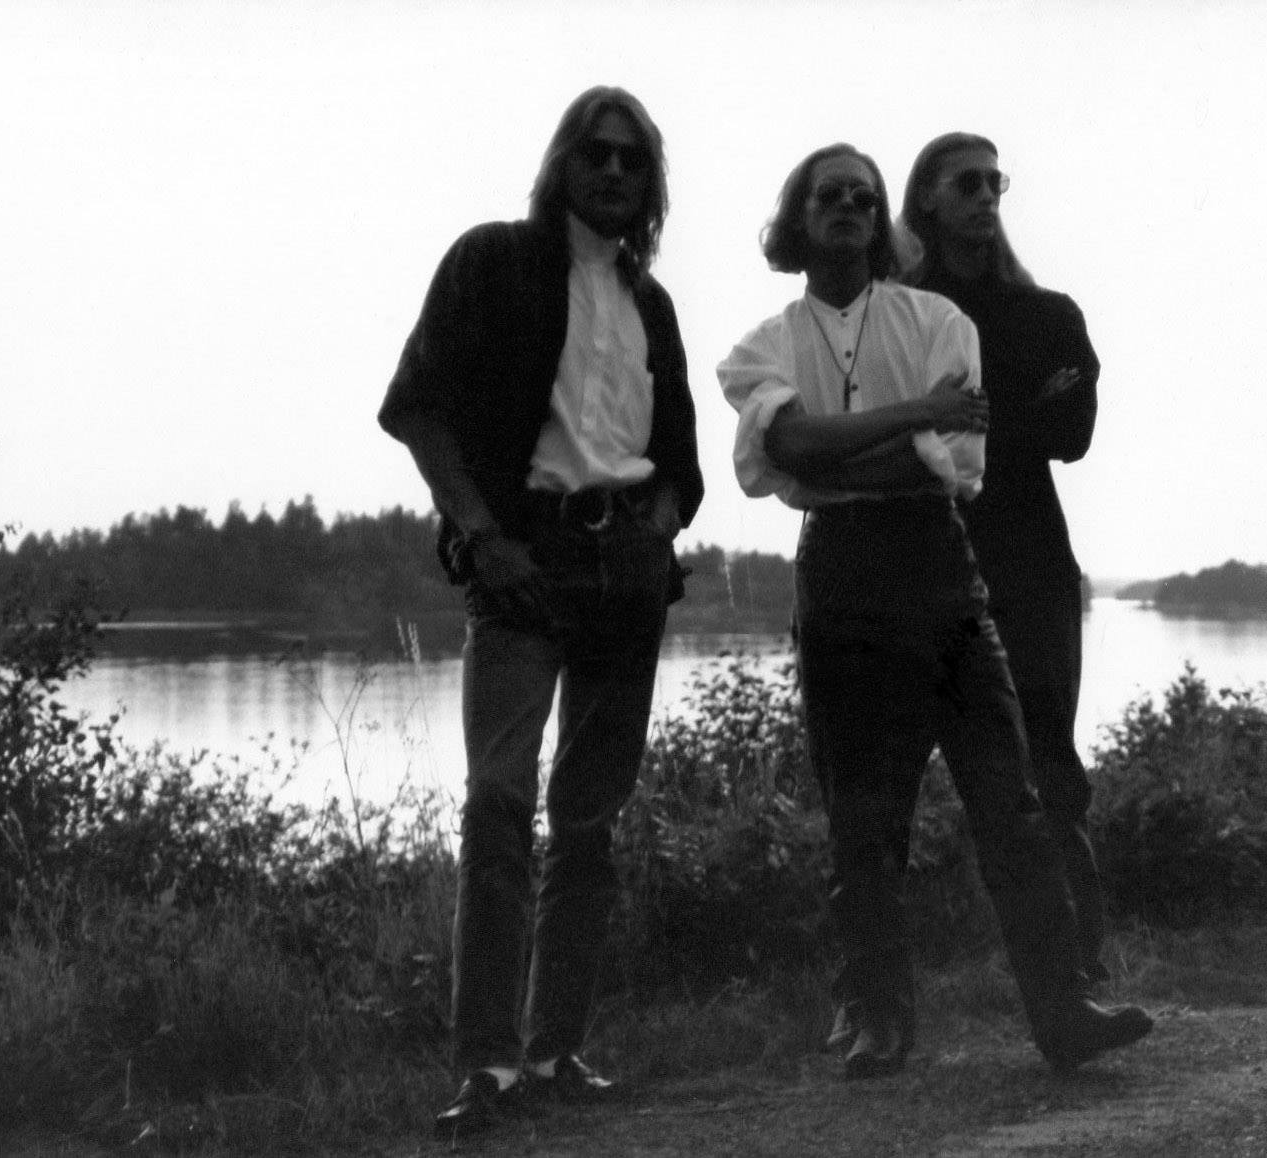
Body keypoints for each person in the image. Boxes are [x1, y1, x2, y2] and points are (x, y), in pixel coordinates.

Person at [717, 143, 1151, 1081]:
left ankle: (1062, 1009)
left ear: (884, 220)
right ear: (798, 220)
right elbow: (784, 454)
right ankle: (879, 1019)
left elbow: (946, 465)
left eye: (863, 197)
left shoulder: (941, 322)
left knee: (1011, 801)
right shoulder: (762, 347)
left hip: (942, 569)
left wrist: (831, 455)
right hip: (841, 581)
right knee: (863, 818)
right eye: (828, 196)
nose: (847, 207)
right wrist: (910, 418)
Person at [377, 86, 703, 1136]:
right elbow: (418, 408)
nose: (612, 171)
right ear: (563, 162)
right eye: (595, 153)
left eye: (631, 160)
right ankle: (489, 1067)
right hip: (523, 565)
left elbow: (679, 462)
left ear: (650, 183)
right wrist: (481, 535)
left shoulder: (652, 305)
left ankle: (557, 1053)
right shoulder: (492, 263)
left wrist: (656, 536)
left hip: (626, 578)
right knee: (498, 804)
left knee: (589, 821)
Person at [899, 132, 1112, 997]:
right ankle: (878, 993)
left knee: (1049, 760)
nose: (987, 195)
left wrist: (970, 418)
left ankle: (1079, 968)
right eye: (968, 182)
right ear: (927, 199)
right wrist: (1011, 411)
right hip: (920, 559)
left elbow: (1074, 433)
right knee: (891, 779)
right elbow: (900, 429)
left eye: (997, 181)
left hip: (1030, 563)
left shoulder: (1049, 314)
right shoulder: (897, 316)